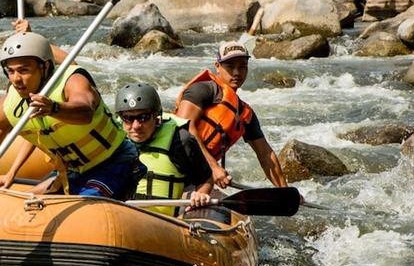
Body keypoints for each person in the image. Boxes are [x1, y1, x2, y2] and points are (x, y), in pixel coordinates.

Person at [0, 30, 145, 200]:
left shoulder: (73, 80)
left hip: (114, 161)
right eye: (10, 71)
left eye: (24, 70)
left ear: (44, 67)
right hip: (72, 172)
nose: (16, 79)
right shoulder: (7, 106)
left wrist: (54, 108)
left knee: (85, 206)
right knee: (29, 205)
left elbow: (85, 110)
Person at [174, 41, 289, 189]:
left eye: (242, 67)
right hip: (173, 166)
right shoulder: (202, 90)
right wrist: (214, 167)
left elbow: (265, 154)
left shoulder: (244, 113)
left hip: (198, 177)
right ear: (218, 67)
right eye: (230, 66)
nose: (236, 72)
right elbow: (183, 128)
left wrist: (285, 191)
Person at [114, 83, 213, 216]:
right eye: (128, 119)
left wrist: (200, 195)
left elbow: (206, 178)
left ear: (156, 117)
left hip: (163, 223)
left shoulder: (180, 140)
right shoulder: (113, 139)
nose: (136, 126)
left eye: (144, 117)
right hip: (120, 217)